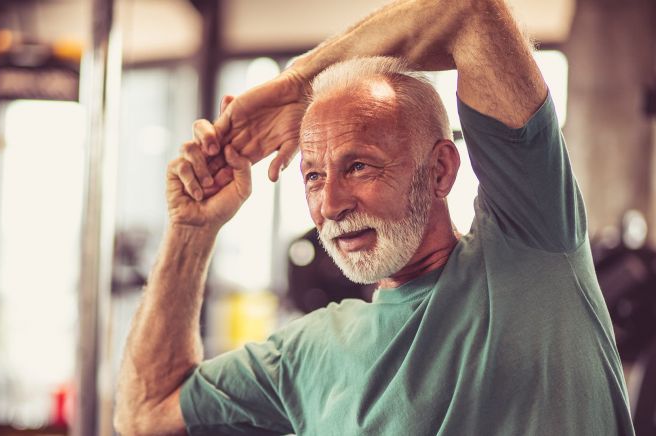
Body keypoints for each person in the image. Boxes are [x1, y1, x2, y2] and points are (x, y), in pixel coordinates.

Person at [114, 0, 635, 434]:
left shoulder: (530, 251)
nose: (331, 203)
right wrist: (191, 230)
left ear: (440, 171)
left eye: (358, 165)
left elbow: (471, 14)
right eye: (313, 176)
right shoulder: (307, 355)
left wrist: (302, 81)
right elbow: (146, 409)